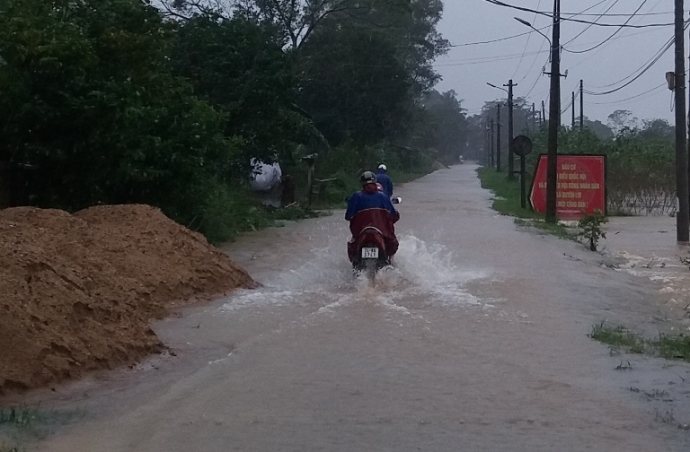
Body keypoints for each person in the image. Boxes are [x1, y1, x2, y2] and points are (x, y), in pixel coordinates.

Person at [345, 171, 400, 261]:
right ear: (375, 181)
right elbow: (394, 215)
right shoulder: (383, 197)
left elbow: (348, 216)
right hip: (382, 232)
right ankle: (390, 264)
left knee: (353, 249)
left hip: (361, 233)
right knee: (391, 245)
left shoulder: (356, 196)